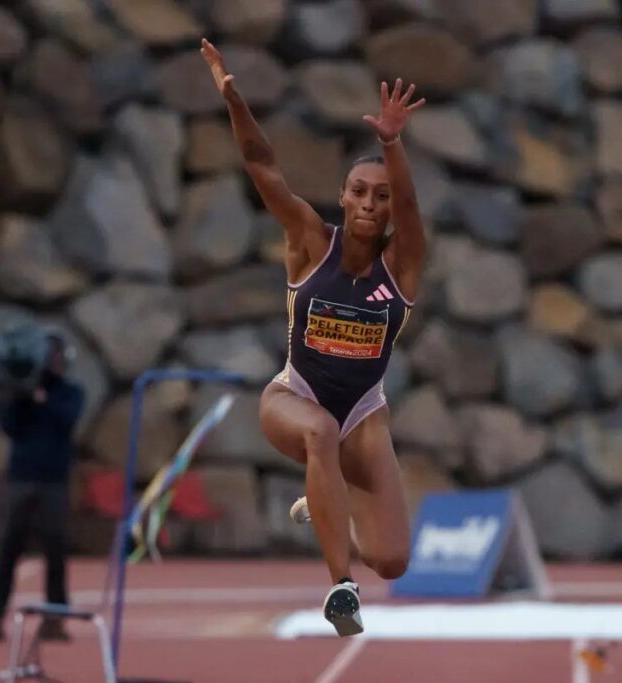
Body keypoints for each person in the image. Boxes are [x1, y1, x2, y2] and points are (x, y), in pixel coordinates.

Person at [201, 38, 427, 637]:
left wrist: (391, 143)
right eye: (359, 192)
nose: (369, 204)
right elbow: (261, 164)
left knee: (394, 559)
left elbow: (408, 200)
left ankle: (324, 503)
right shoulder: (309, 241)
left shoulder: (402, 266)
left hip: (364, 414)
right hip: (293, 396)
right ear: (343, 197)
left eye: (379, 198)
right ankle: (340, 590)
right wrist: (233, 100)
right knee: (318, 431)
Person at [0, 332, 85, 642]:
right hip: (21, 479)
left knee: (55, 551)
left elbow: (66, 421)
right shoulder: (18, 395)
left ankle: (55, 618)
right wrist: (23, 394)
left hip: (54, 481)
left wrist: (44, 397)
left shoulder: (71, 392)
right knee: (8, 550)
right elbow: (9, 426)